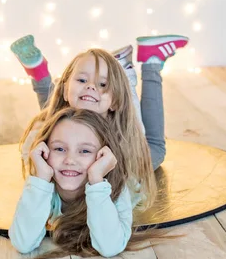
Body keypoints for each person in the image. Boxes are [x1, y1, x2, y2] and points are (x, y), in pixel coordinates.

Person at [10, 107, 166, 259]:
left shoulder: (117, 189)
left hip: (135, 175)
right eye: (59, 149)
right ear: (46, 151)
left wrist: (96, 180)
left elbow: (110, 247)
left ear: (101, 156)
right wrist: (41, 178)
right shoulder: (41, 184)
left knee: (154, 152)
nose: (70, 160)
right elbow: (23, 242)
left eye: (85, 151)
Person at [11, 34, 189, 171]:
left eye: (102, 84)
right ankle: (150, 62)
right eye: (82, 80)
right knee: (156, 148)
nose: (90, 87)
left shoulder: (121, 128)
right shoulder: (118, 127)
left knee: (53, 114)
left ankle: (39, 72)